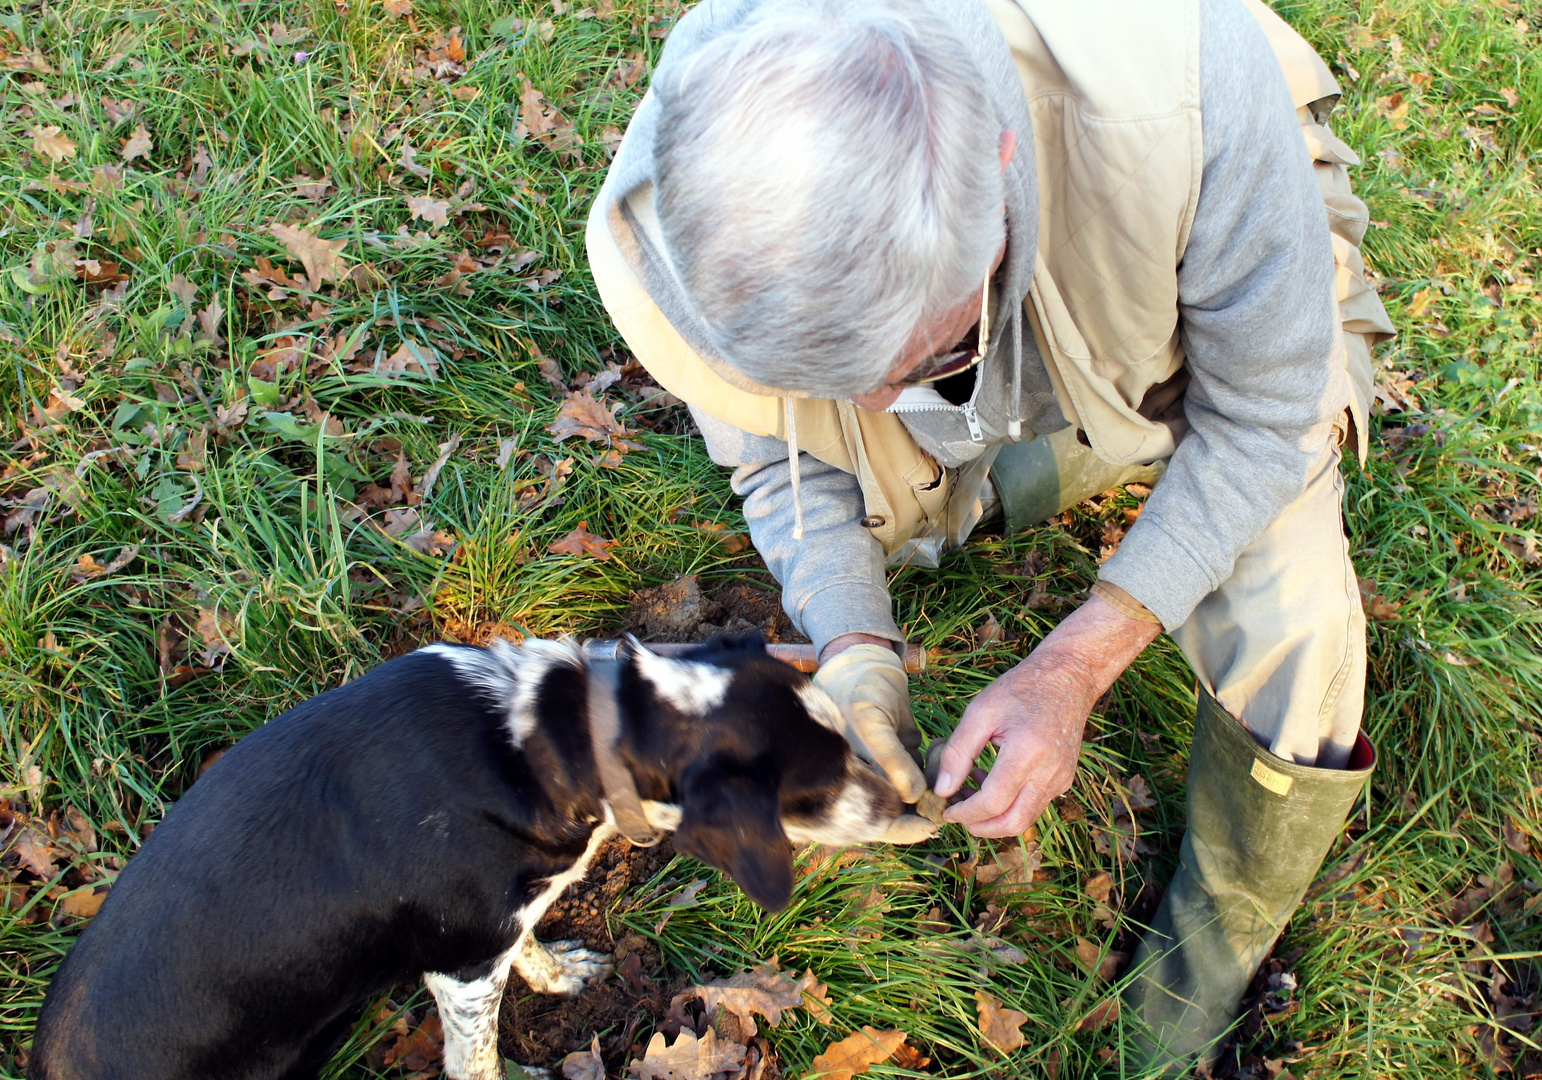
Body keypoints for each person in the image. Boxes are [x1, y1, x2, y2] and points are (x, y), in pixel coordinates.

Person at [585, 0, 1396, 1070]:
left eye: (914, 365)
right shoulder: (692, 214)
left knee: (1288, 598)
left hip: (1204, 245)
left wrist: (1076, 660)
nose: (873, 409)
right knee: (899, 487)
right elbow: (782, 466)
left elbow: (1263, 423)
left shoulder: (1184, 87)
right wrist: (855, 650)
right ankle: (1068, 442)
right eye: (834, 385)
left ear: (999, 164)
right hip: (1008, 288)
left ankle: (1219, 937)